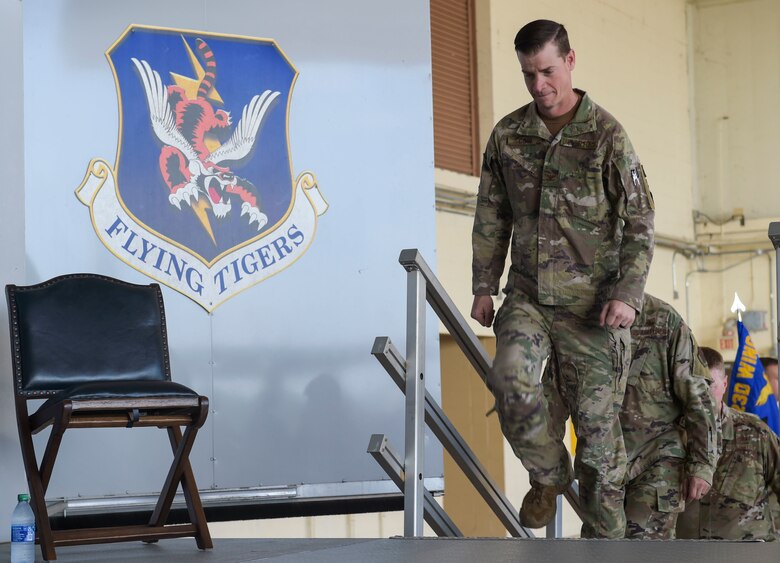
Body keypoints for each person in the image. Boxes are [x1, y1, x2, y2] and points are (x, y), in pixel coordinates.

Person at [470, 19, 655, 538]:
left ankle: (608, 544)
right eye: (528, 75)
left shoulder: (607, 135)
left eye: (547, 71)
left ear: (570, 61)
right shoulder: (508, 135)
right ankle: (549, 475)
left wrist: (628, 294)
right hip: (527, 296)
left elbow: (640, 219)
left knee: (599, 447)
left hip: (593, 308)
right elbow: (492, 213)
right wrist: (484, 284)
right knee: (508, 378)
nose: (539, 86)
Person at [542, 294, 717, 538]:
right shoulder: (573, 321)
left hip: (656, 457)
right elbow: (551, 401)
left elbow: (698, 397)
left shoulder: (662, 320)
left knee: (643, 549)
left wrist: (702, 464)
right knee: (599, 551)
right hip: (598, 462)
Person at [677, 347, 780, 540]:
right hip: (685, 554)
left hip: (748, 553)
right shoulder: (669, 434)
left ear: (724, 384)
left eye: (710, 387)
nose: (702, 398)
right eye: (696, 388)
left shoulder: (755, 432)